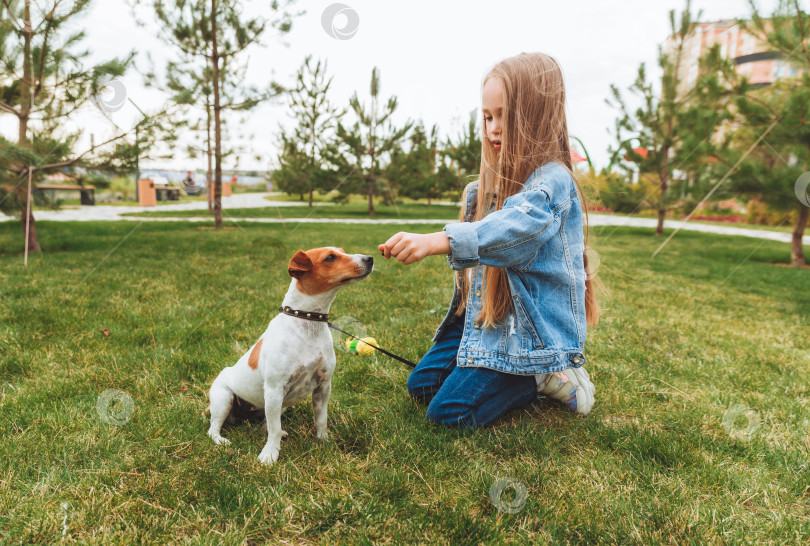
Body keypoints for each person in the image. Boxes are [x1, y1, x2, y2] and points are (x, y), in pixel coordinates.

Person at [378, 52, 601, 428]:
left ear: (536, 118)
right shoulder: (481, 190)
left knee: (448, 413)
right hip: (488, 327)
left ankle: (538, 376)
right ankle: (506, 372)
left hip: (525, 338)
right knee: (421, 386)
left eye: (505, 116)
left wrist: (438, 240)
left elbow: (515, 228)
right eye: (487, 116)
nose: (493, 128)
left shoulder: (553, 184)